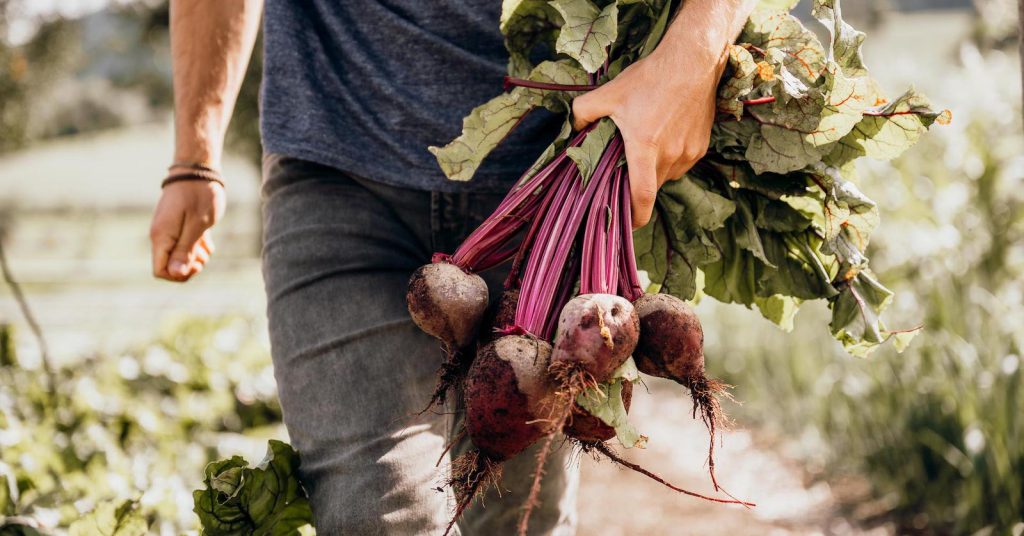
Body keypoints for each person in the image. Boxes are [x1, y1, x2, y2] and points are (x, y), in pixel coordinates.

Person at [148, 0, 754, 533]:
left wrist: (693, 53)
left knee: (520, 524)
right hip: (338, 175)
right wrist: (194, 156)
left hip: (551, 182)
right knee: (374, 517)